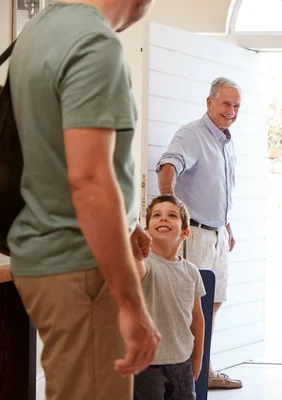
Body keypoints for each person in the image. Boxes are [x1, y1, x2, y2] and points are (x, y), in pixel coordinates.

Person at [8, 1, 161, 400]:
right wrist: (132, 305)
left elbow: (53, 157)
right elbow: (90, 180)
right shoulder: (95, 43)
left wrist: (124, 222)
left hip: (47, 253)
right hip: (82, 267)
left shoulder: (43, 26)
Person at [157, 77, 242, 390]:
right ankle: (182, 378)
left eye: (236, 106)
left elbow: (218, 188)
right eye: (225, 104)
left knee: (214, 303)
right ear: (209, 103)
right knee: (189, 305)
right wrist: (169, 205)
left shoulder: (225, 139)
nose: (231, 111)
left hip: (217, 232)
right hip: (194, 234)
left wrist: (227, 224)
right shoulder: (191, 134)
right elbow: (169, 166)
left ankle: (201, 369)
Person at [134, 195, 206, 400]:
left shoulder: (191, 272)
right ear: (147, 229)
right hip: (147, 367)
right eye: (156, 215)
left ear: (185, 231)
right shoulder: (145, 264)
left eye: (171, 215)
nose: (163, 219)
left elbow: (197, 318)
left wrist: (198, 358)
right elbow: (135, 267)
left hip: (182, 363)